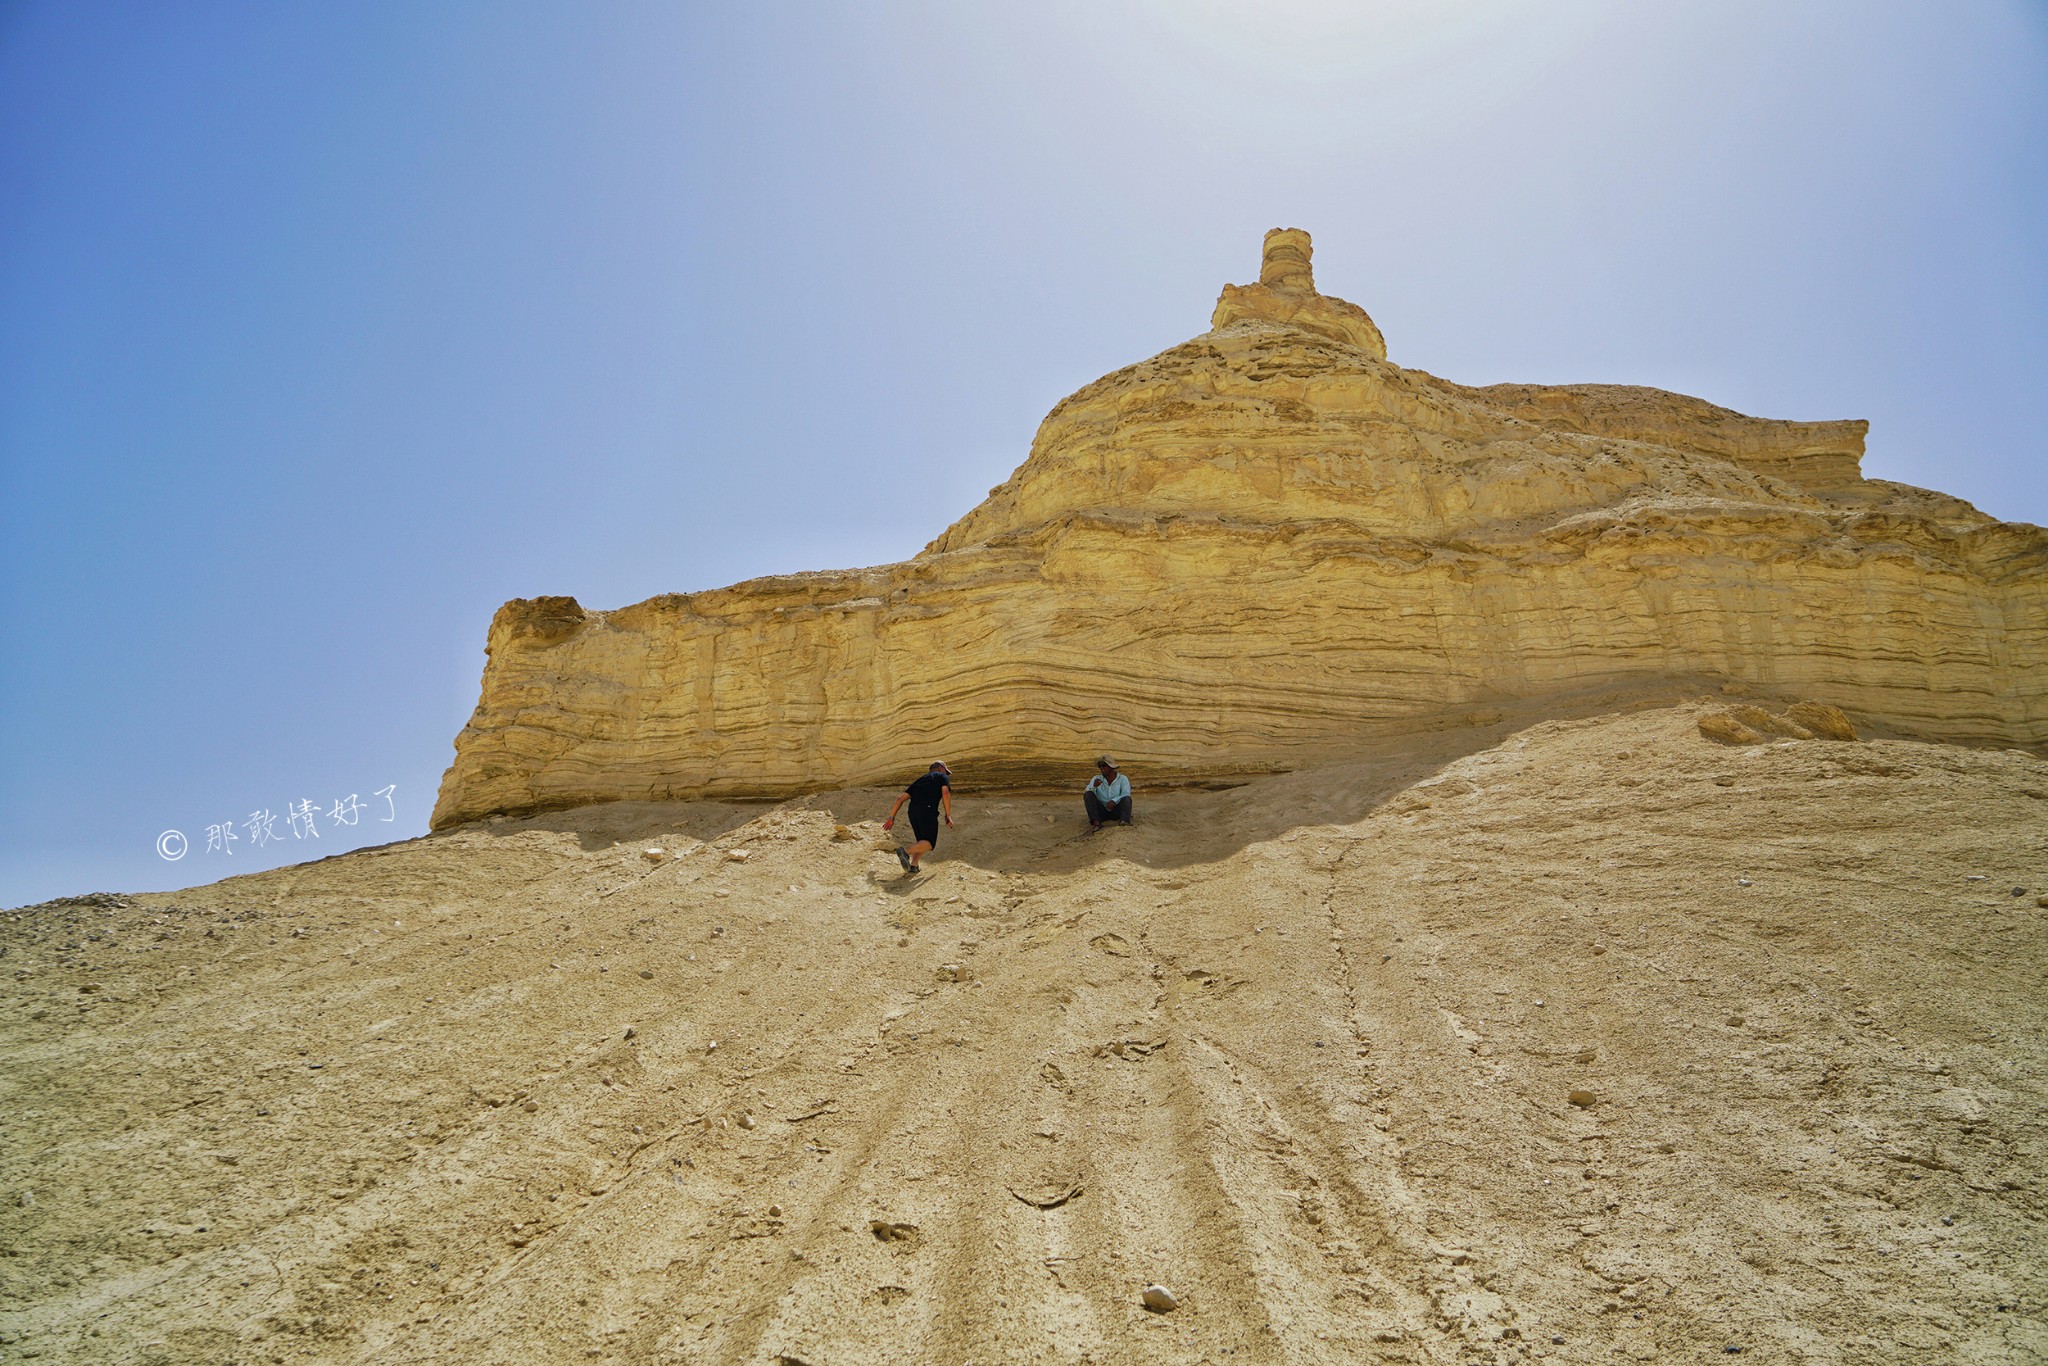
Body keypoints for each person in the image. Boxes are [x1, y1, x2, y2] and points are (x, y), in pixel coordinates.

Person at [883, 761, 953, 874]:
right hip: (928, 810)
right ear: (941, 768)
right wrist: (948, 814)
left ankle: (913, 866)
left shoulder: (920, 780)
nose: (947, 774)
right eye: (946, 771)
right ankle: (905, 851)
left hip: (913, 812)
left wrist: (891, 817)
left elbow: (900, 799)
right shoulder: (942, 776)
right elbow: (945, 793)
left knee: (922, 841)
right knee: (929, 843)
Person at [1083, 756, 1132, 830]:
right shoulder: (1096, 778)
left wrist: (1114, 801)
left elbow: (1126, 793)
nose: (1101, 768)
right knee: (1088, 794)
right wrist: (1094, 787)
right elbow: (1088, 795)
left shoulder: (1122, 779)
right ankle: (1096, 823)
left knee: (1127, 799)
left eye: (1104, 765)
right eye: (1100, 766)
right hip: (1102, 812)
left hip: (1116, 811)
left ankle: (1124, 821)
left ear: (1111, 767)